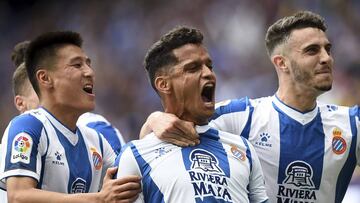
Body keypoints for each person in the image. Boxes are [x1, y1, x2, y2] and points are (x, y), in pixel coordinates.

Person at [142, 11, 360, 203]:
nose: (327, 58)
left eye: (327, 49)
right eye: (312, 51)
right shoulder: (242, 117)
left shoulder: (351, 124)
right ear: (281, 63)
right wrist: (154, 119)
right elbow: (156, 138)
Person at [115, 26, 268, 203]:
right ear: (164, 84)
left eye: (210, 66)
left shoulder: (243, 148)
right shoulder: (135, 155)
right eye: (193, 68)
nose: (208, 74)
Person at [0, 31, 140, 202]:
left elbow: (131, 181)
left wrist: (151, 126)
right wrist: (98, 199)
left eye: (88, 64)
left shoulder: (97, 140)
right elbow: (19, 196)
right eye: (77, 65)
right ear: (45, 78)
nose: (90, 72)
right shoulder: (28, 126)